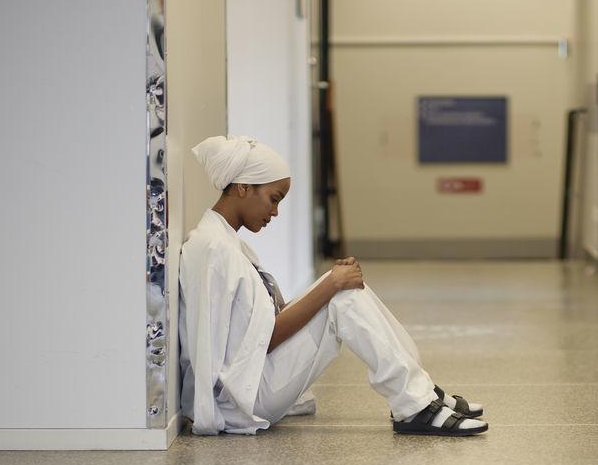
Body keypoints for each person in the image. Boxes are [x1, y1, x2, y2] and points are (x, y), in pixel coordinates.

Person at [179, 134, 488, 437]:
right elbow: (263, 339)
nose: (274, 212)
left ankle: (420, 391)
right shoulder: (212, 250)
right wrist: (330, 288)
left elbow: (262, 324)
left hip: (253, 380)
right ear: (243, 187)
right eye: (274, 199)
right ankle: (415, 403)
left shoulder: (228, 244)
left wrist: (332, 282)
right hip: (241, 400)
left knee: (340, 286)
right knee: (340, 295)